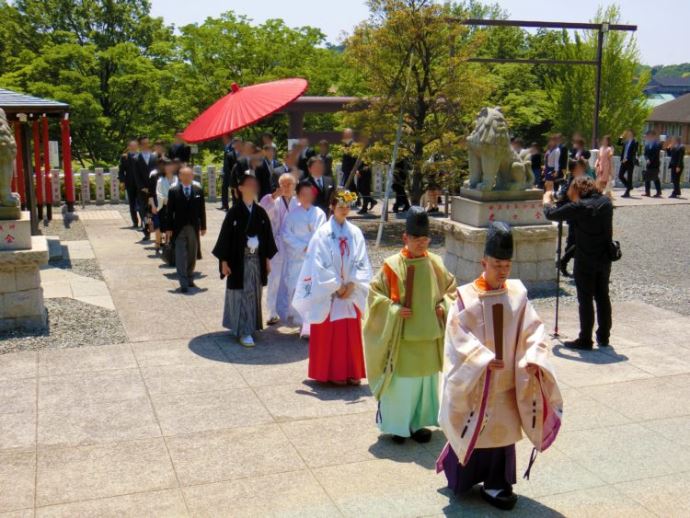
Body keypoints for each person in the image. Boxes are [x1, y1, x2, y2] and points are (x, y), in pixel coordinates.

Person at [437, 221, 563, 512]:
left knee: (503, 434)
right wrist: (480, 358)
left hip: (508, 381)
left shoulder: (517, 294)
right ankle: (463, 478)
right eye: (497, 265)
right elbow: (457, 335)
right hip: (478, 381)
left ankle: (498, 484)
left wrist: (533, 358)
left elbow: (534, 329)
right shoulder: (466, 297)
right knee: (474, 428)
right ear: (484, 262)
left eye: (507, 265)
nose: (503, 271)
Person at [364, 207, 456, 444]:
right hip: (402, 339)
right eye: (416, 239)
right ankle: (397, 426)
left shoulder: (435, 263)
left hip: (428, 337)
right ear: (405, 238)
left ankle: (418, 424)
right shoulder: (392, 265)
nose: (421, 243)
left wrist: (443, 306)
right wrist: (393, 310)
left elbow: (452, 290)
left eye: (425, 239)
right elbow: (375, 295)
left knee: (425, 386)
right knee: (402, 386)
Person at [292, 189, 372, 385]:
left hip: (350, 291)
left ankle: (352, 371)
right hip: (329, 292)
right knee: (331, 333)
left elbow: (361, 259)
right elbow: (319, 263)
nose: (344, 209)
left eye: (347, 206)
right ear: (331, 206)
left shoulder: (355, 232)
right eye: (340, 206)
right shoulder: (323, 233)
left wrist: (352, 283)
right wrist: (337, 287)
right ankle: (332, 373)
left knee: (349, 334)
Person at [544, 176, 614, 349]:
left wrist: (547, 199)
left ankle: (585, 339)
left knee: (585, 300)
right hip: (604, 257)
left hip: (585, 260)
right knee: (602, 297)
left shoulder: (580, 207)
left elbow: (551, 214)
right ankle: (604, 336)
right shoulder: (606, 203)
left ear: (576, 190)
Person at [212, 172, 277, 347]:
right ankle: (244, 331)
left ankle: (250, 327)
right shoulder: (234, 212)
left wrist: (267, 261)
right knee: (240, 294)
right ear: (240, 189)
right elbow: (225, 238)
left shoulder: (260, 212)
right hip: (238, 260)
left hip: (256, 259)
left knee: (253, 293)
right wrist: (223, 262)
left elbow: (267, 238)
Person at [282, 179, 327, 334]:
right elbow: (286, 235)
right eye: (303, 194)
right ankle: (302, 322)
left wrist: (312, 246)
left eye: (309, 194)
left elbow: (322, 234)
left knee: (313, 290)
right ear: (298, 196)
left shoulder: (319, 213)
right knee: (297, 289)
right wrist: (302, 246)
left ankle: (312, 323)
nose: (306, 197)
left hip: (314, 259)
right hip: (298, 259)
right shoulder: (292, 215)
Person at [260, 173, 299, 326]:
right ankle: (271, 311)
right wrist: (273, 196)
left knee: (292, 278)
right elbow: (262, 212)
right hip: (276, 245)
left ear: (295, 186)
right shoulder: (272, 200)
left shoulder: (299, 202)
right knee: (274, 279)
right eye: (284, 184)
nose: (287, 187)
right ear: (279, 185)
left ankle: (290, 310)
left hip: (294, 247)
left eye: (290, 184)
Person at [166, 166, 207, 293]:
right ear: (180, 177)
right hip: (178, 228)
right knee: (180, 255)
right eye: (185, 175)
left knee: (192, 254)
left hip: (193, 227)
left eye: (190, 175)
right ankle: (183, 282)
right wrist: (168, 228)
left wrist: (203, 226)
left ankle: (190, 277)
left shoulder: (198, 190)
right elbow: (169, 212)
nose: (188, 178)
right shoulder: (173, 191)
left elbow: (202, 210)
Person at [558, 158, 588, 277]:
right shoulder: (571, 180)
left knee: (577, 241)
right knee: (574, 242)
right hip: (574, 215)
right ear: (574, 170)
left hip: (579, 214)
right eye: (579, 168)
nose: (582, 170)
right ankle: (564, 263)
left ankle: (566, 264)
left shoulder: (578, 179)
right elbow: (565, 196)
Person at [134, 136, 158, 240]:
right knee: (144, 211)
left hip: (155, 188)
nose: (146, 145)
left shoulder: (155, 157)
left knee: (156, 210)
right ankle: (146, 231)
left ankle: (158, 231)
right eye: (143, 143)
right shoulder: (136, 158)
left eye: (147, 143)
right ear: (139, 145)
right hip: (143, 189)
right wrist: (142, 187)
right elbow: (136, 175)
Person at [155, 157, 179, 247]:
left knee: (174, 224)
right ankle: (165, 243)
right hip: (164, 206)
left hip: (176, 207)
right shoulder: (160, 180)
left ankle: (171, 242)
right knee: (164, 225)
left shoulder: (178, 179)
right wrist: (166, 199)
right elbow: (158, 193)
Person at [117, 139, 140, 227]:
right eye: (132, 145)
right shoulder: (124, 157)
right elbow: (121, 171)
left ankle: (144, 222)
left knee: (142, 203)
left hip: (140, 183)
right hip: (130, 183)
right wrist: (122, 181)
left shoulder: (141, 156)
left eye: (135, 145)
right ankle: (135, 222)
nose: (133, 147)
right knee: (132, 203)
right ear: (129, 147)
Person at [617, 129, 638, 198]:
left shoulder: (635, 142)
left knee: (629, 177)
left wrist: (627, 159)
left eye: (629, 133)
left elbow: (633, 153)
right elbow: (618, 143)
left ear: (632, 134)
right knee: (620, 175)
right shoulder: (626, 142)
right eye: (627, 133)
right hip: (623, 161)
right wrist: (621, 137)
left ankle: (627, 192)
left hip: (630, 162)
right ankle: (629, 186)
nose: (628, 134)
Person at [220, 134, 239, 211]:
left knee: (232, 188)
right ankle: (225, 205)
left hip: (231, 172)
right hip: (226, 171)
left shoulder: (232, 147)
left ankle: (233, 205)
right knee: (224, 187)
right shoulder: (226, 146)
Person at [642, 130, 662, 198]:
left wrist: (651, 160)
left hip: (655, 163)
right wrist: (647, 159)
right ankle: (647, 192)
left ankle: (658, 192)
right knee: (647, 177)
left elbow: (656, 154)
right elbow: (645, 154)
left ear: (652, 136)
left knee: (655, 178)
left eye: (648, 136)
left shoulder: (657, 144)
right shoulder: (647, 145)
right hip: (648, 164)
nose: (647, 137)